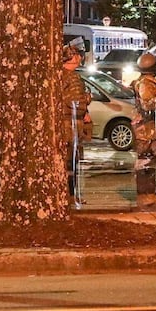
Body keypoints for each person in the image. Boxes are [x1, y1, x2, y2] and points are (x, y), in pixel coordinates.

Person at [130, 50, 156, 204]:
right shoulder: (146, 83)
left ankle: (148, 193)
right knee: (145, 161)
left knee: (149, 160)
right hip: (146, 127)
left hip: (149, 126)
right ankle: (145, 193)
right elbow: (147, 105)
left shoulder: (146, 82)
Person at [60, 42, 93, 205]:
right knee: (71, 161)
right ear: (74, 57)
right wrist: (87, 100)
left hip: (65, 122)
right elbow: (75, 102)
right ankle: (70, 195)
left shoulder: (59, 75)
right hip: (71, 124)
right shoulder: (72, 77)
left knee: (67, 160)